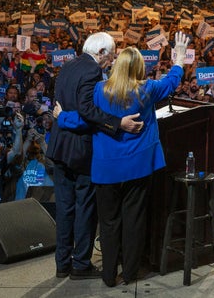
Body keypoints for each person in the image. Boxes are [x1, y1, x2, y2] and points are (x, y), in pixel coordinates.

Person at [54, 31, 189, 287]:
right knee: (134, 219)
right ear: (139, 68)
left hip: (106, 170)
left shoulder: (98, 90)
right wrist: (179, 57)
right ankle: (129, 273)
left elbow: (86, 118)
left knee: (108, 222)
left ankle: (108, 276)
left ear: (116, 66)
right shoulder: (148, 89)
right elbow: (172, 81)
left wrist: (62, 117)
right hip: (138, 168)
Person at [46, 31, 143, 281]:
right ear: (100, 53)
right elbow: (88, 111)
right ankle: (80, 265)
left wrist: (63, 118)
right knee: (85, 209)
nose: (111, 62)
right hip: (81, 151)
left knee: (65, 209)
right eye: (110, 56)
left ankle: (62, 264)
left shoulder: (67, 66)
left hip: (60, 148)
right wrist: (117, 123)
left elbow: (64, 108)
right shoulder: (91, 71)